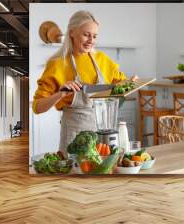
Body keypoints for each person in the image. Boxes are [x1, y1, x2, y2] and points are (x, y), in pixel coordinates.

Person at [33, 10, 138, 154]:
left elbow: (121, 85)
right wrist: (60, 94)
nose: (91, 40)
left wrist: (132, 82)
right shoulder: (57, 65)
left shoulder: (102, 60)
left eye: (94, 36)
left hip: (101, 136)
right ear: (71, 33)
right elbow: (37, 107)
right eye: (86, 34)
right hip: (74, 136)